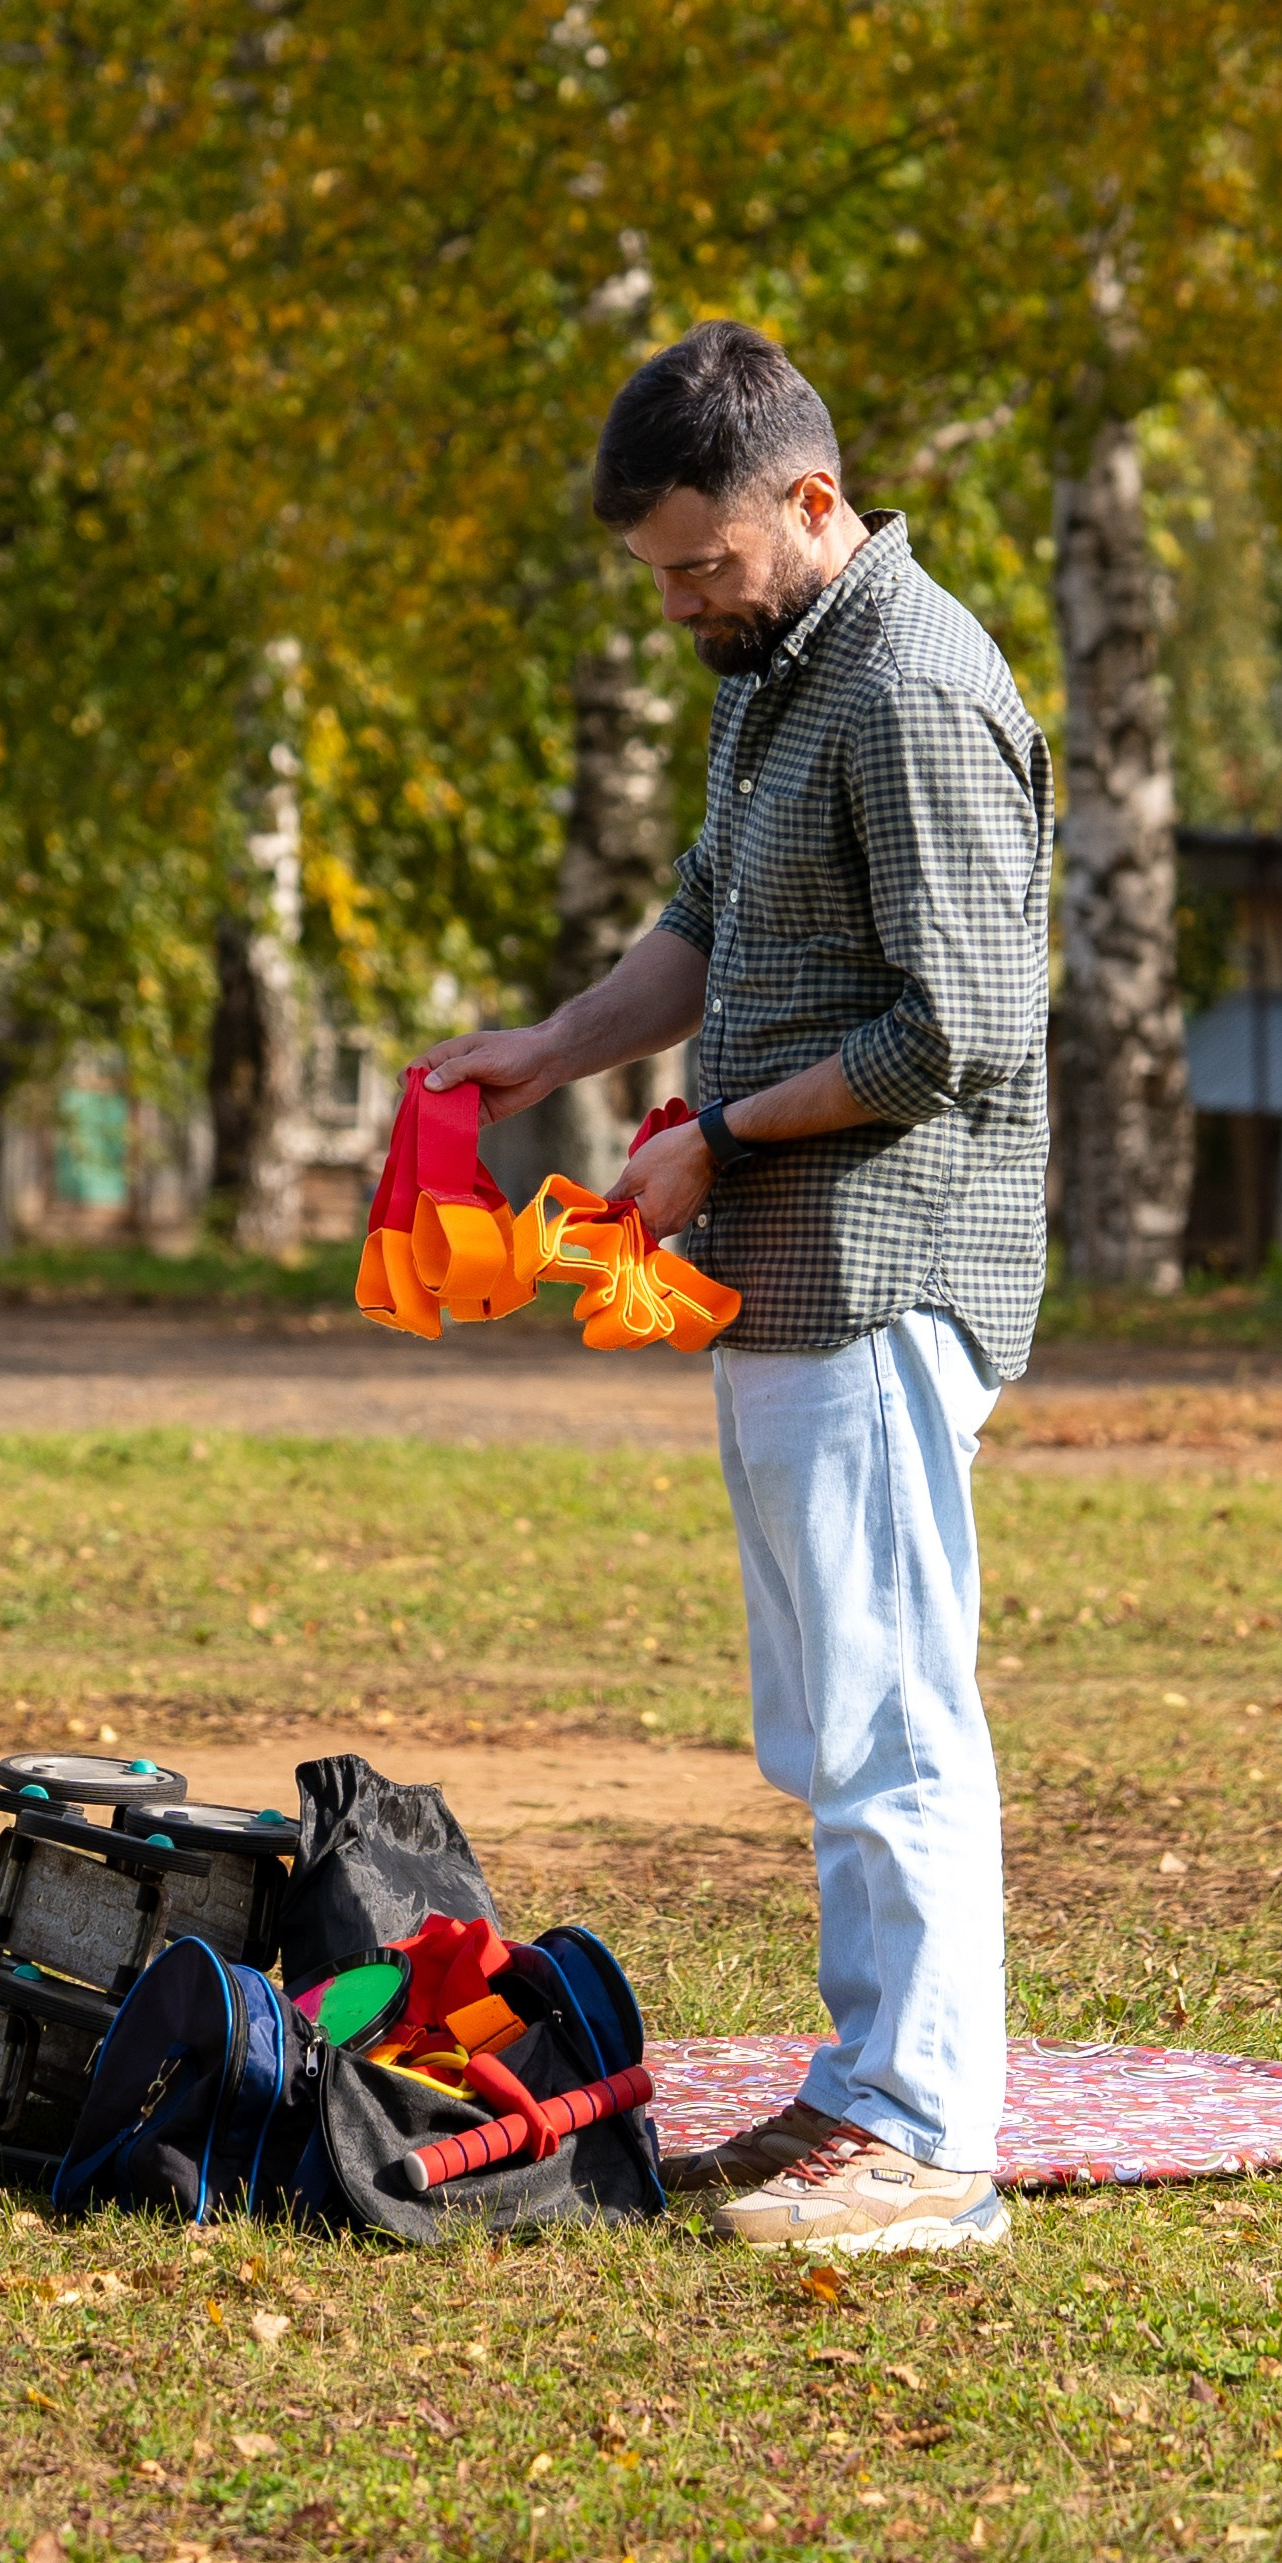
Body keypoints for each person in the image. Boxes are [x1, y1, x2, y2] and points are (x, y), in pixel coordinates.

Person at [413, 321, 1052, 2253]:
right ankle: (862, 2097)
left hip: (881, 1266)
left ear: (813, 501)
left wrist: (719, 1137)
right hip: (781, 1274)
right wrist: (557, 1045)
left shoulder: (913, 685)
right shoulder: (779, 671)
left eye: (703, 561)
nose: (681, 599)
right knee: (824, 1715)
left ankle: (931, 2140)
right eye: (657, 574)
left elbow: (963, 1026)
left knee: (890, 1720)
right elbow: (707, 917)